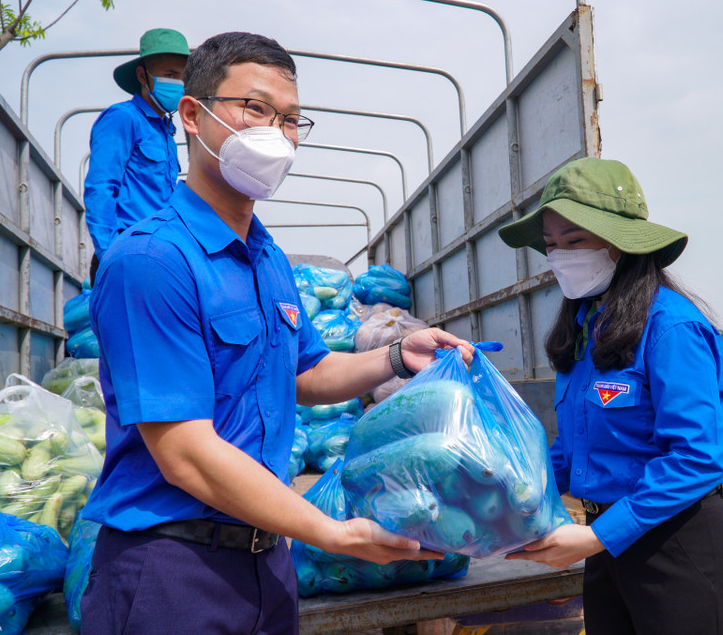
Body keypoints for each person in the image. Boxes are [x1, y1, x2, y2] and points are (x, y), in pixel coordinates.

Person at [79, 31, 473, 635]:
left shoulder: (267, 259)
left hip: (267, 563)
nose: (276, 133)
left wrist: (397, 354)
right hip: (174, 569)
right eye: (254, 109)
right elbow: (184, 452)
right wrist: (332, 532)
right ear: (192, 114)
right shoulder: (152, 260)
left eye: (290, 119)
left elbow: (308, 374)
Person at [499, 158, 723, 635]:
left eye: (575, 241)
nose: (559, 256)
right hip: (607, 545)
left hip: (679, 543)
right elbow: (573, 449)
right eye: (551, 245)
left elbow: (696, 459)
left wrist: (596, 536)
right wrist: (507, 497)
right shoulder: (584, 329)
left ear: (621, 245)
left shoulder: (671, 327)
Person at [83, 28, 190, 285]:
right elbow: (100, 188)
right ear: (143, 75)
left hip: (158, 254)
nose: (178, 83)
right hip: (126, 254)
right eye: (170, 75)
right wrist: (110, 254)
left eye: (183, 77)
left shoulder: (166, 130)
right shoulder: (123, 117)